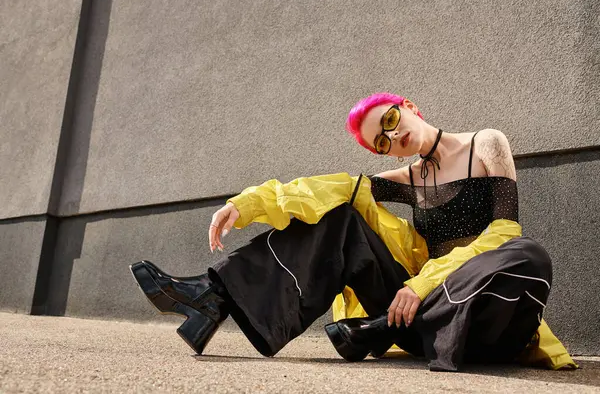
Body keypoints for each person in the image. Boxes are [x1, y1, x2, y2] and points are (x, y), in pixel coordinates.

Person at [129, 93, 576, 371]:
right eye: (381, 142)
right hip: (415, 317)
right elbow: (335, 188)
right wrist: (244, 204)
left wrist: (421, 285)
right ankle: (214, 295)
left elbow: (502, 230)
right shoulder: (411, 178)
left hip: (483, 316)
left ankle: (377, 328)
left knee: (526, 253)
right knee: (342, 214)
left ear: (410, 107)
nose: (393, 136)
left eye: (390, 120)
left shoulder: (488, 144)